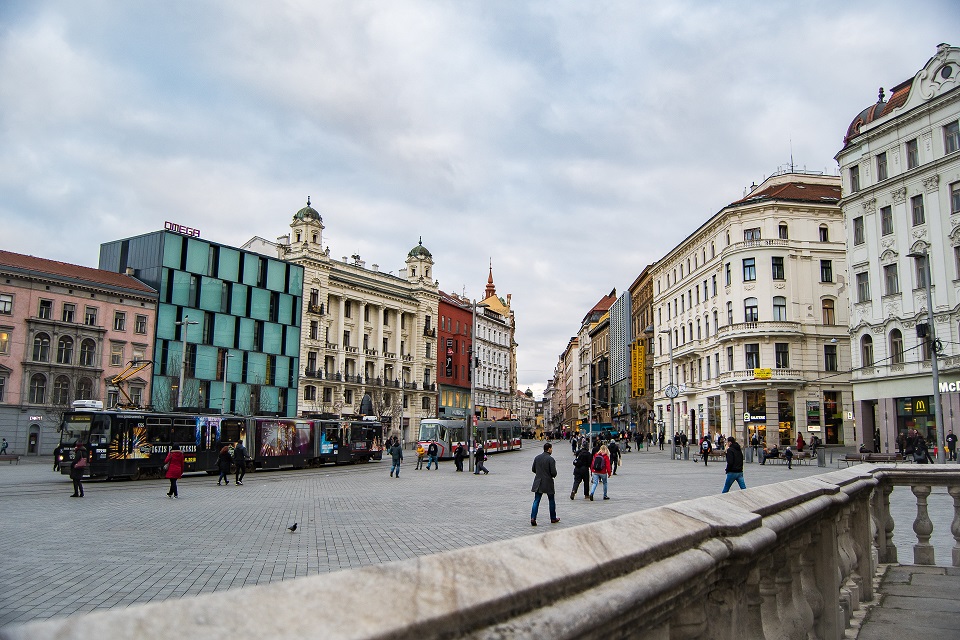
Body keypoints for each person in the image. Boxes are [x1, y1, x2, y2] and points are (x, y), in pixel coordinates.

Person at [530, 443, 559, 526]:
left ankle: (533, 518)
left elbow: (533, 469)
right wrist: (551, 475)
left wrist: (539, 473)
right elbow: (553, 473)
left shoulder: (537, 457)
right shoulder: (551, 459)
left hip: (538, 482)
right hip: (548, 482)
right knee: (551, 500)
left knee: (536, 500)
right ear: (549, 449)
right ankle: (553, 518)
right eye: (551, 448)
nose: (552, 450)